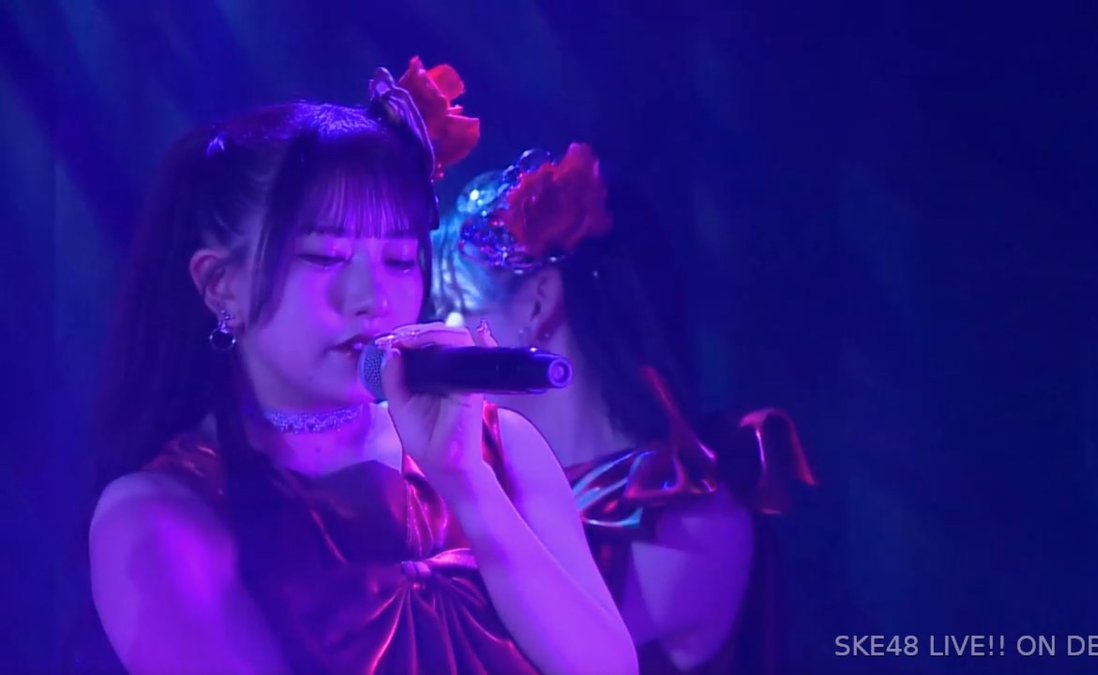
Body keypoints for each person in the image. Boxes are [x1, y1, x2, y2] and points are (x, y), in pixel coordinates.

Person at [86, 57, 636, 674]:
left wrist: (467, 484)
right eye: (325, 258)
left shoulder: (499, 449)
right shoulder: (162, 514)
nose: (373, 299)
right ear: (221, 286)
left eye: (400, 260)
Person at [430, 143, 817, 672]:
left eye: (454, 306)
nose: (441, 333)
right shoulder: (506, 485)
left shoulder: (681, 516)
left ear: (539, 301)